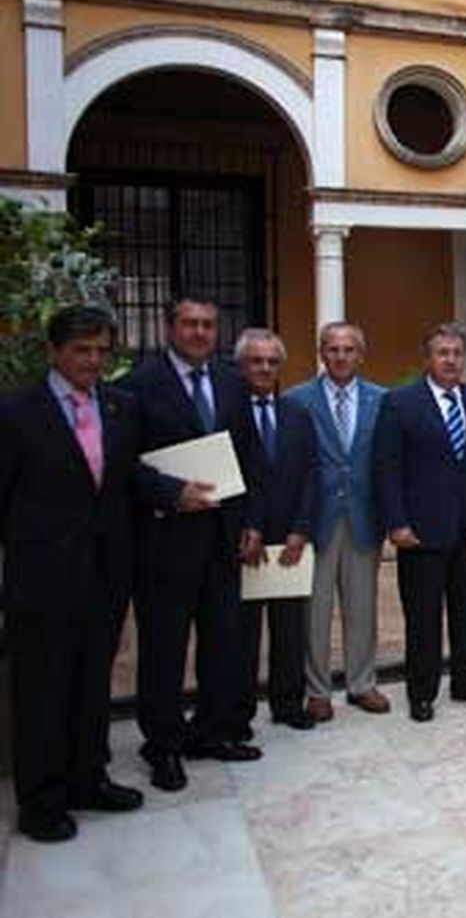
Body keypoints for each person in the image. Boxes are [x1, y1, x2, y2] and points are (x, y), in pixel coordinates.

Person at [0, 305, 192, 841]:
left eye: (101, 351)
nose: (92, 360)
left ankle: (89, 778)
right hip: (42, 577)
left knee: (91, 683)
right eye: (81, 350)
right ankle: (41, 800)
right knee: (42, 690)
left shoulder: (119, 405)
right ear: (54, 351)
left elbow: (128, 474)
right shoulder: (16, 412)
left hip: (106, 573)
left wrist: (176, 492)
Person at [120, 296, 267, 792]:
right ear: (170, 328)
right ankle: (162, 745)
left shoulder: (231, 382)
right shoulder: (137, 386)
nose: (200, 332)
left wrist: (253, 522)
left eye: (208, 324)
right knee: (164, 648)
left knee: (222, 641)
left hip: (223, 540)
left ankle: (211, 731)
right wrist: (171, 492)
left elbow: (250, 458)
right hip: (165, 542)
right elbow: (123, 464)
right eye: (190, 324)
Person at [373, 323, 466, 723]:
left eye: (457, 353)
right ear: (427, 357)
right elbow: (387, 468)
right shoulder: (399, 402)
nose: (451, 360)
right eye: (442, 352)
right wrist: (396, 523)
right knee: (423, 617)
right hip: (420, 532)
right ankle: (422, 692)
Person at [285, 322, 390, 721]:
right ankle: (317, 690)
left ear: (360, 355)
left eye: (349, 349)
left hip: (365, 515)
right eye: (333, 349)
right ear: (321, 353)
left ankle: (362, 683)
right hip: (316, 519)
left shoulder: (382, 400)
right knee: (314, 610)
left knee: (362, 607)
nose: (341, 356)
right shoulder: (297, 400)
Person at [235, 329, 317, 731]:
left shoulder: (297, 414)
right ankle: (238, 712)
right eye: (256, 361)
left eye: (272, 361)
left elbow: (311, 475)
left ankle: (288, 704)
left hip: (289, 542)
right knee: (240, 635)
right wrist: (242, 528)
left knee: (289, 631)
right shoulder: (226, 414)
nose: (265, 368)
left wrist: (301, 529)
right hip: (242, 542)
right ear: (241, 365)